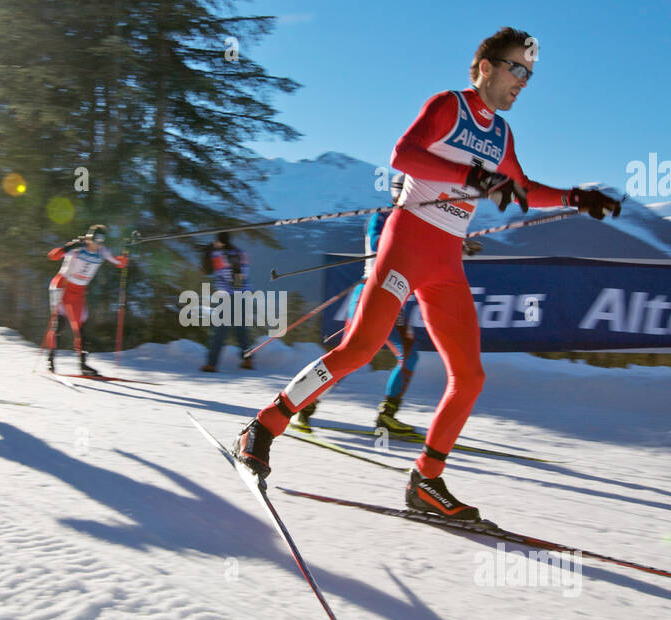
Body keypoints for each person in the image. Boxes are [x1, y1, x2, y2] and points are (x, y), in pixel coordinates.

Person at [235, 27, 621, 522]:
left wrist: (576, 196)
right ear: (485, 67)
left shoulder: (501, 133)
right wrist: (475, 177)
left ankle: (426, 481)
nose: (523, 81)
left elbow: (521, 187)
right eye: (516, 69)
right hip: (407, 244)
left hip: (445, 260)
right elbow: (403, 155)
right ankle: (262, 428)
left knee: (469, 376)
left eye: (529, 74)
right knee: (360, 349)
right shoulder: (449, 105)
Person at [293, 173, 428, 435]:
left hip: (395, 301)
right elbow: (382, 249)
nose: (416, 198)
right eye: (411, 193)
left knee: (410, 355)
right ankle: (303, 404)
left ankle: (387, 415)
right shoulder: (381, 218)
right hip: (372, 294)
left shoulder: (420, 224)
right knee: (350, 357)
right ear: (398, 193)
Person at [44, 224, 128, 377]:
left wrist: (125, 254)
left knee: (81, 328)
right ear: (89, 237)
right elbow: (53, 256)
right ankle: (51, 361)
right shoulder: (77, 247)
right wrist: (67, 248)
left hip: (79, 292)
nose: (95, 245)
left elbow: (120, 263)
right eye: (94, 240)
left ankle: (83, 365)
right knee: (59, 325)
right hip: (62, 286)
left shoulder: (102, 251)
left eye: (100, 242)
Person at [201, 232, 255, 372]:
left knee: (220, 330)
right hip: (243, 294)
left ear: (219, 242)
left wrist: (207, 254)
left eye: (215, 241)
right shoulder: (241, 253)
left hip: (227, 295)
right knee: (241, 329)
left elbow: (206, 270)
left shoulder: (218, 255)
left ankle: (211, 364)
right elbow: (242, 273)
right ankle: (248, 359)